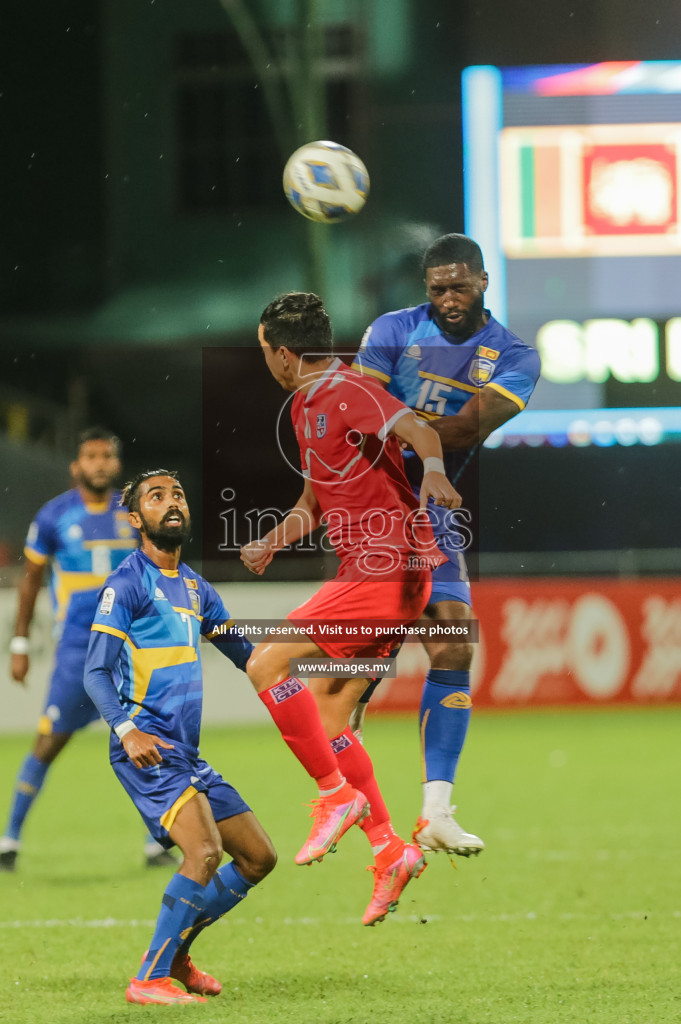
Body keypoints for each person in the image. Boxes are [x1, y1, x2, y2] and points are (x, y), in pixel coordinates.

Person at [240, 291, 461, 926]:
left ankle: (335, 797)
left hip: (384, 566)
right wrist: (270, 543)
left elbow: (418, 427)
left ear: (283, 354)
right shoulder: (306, 407)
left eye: (263, 350)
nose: (264, 361)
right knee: (331, 714)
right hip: (376, 571)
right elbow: (312, 504)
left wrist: (435, 471)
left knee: (264, 665)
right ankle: (390, 850)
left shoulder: (346, 390)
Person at [350, 232, 541, 856]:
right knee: (364, 655)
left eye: (460, 286)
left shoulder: (513, 354)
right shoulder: (393, 329)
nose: (448, 299)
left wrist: (399, 421)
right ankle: (338, 754)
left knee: (455, 639)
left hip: (432, 507)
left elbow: (465, 428)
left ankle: (435, 811)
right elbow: (357, 417)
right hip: (372, 503)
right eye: (437, 289)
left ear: (483, 282)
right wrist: (392, 425)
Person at [83, 470, 276, 1005]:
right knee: (205, 851)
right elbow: (95, 673)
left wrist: (313, 660)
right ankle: (148, 977)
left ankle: (177, 952)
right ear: (135, 518)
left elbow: (247, 655)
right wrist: (126, 730)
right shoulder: (126, 584)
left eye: (178, 494)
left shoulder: (195, 587)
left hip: (185, 754)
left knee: (258, 857)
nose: (172, 503)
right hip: (146, 751)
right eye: (156, 496)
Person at [0, 427, 173, 871]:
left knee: (151, 738)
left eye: (106, 456)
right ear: (76, 466)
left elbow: (158, 573)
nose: (99, 463)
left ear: (116, 464)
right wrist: (20, 643)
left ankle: (159, 841)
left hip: (133, 648)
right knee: (48, 741)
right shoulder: (54, 515)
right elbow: (31, 581)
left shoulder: (136, 513)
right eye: (90, 456)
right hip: (79, 650)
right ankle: (10, 838)